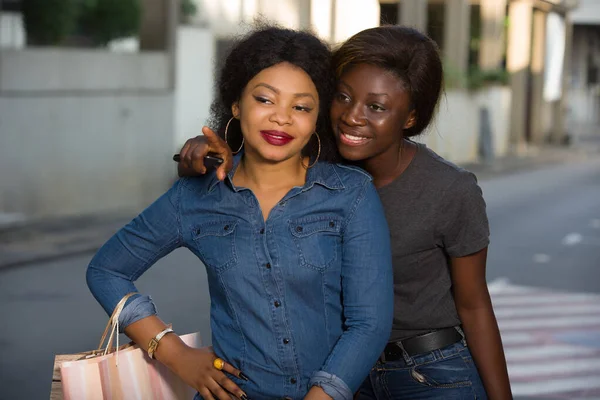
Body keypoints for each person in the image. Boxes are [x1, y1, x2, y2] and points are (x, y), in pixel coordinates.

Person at [177, 26, 512, 399]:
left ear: (411, 117)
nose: (352, 117)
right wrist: (201, 154)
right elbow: (246, 160)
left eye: (376, 107)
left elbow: (474, 305)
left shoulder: (450, 190)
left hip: (430, 375)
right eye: (343, 97)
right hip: (340, 375)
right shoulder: (308, 167)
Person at [87, 26, 394, 400]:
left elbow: (370, 323)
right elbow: (107, 270)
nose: (281, 118)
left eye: (300, 107)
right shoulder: (195, 197)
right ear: (236, 104)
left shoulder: (350, 193)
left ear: (316, 119)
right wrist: (173, 352)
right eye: (266, 100)